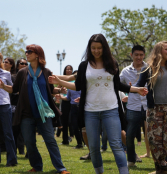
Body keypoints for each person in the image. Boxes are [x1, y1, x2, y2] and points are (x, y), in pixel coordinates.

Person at [48, 34, 148, 174]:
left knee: (116, 145)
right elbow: (77, 86)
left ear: (104, 48)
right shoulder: (84, 65)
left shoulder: (112, 63)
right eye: (93, 48)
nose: (96, 51)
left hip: (111, 110)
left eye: (99, 48)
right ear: (89, 48)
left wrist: (136, 89)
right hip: (90, 112)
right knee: (94, 148)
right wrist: (58, 82)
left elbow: (118, 84)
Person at [0, 44, 70, 173]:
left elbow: (51, 90)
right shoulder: (22, 72)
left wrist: (60, 89)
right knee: (30, 143)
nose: (27, 53)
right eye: (26, 51)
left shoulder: (46, 72)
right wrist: (3, 87)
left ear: (37, 54)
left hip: (44, 114)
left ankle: (61, 168)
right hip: (26, 114)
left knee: (50, 141)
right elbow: (14, 89)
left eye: (30, 51)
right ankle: (37, 166)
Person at [136, 41, 167, 174]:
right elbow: (138, 85)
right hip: (154, 110)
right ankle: (160, 168)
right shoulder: (148, 69)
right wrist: (136, 90)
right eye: (166, 49)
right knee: (155, 141)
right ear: (159, 51)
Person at [120, 45, 150, 166]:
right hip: (133, 106)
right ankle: (131, 160)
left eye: (141, 55)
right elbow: (117, 84)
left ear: (144, 55)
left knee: (156, 134)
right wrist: (126, 94)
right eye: (136, 54)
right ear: (132, 55)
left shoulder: (150, 68)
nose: (139, 57)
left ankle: (161, 160)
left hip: (149, 105)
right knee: (130, 134)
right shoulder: (125, 71)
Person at [60, 65, 74, 145]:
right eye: (67, 69)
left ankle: (72, 136)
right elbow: (58, 89)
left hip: (73, 101)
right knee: (64, 121)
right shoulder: (62, 79)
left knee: (71, 121)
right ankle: (65, 140)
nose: (69, 70)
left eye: (70, 69)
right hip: (65, 101)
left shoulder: (74, 79)